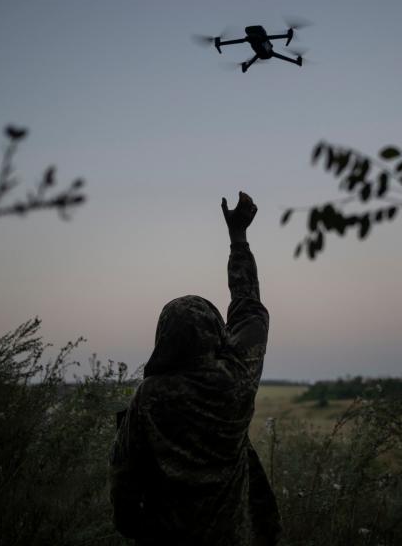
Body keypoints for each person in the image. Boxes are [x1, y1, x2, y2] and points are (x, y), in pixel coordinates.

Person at [109, 192, 281, 545]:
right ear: (217, 333)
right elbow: (248, 308)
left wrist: (134, 527)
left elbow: (124, 475)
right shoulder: (237, 380)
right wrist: (238, 239)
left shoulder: (150, 397)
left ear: (165, 338)